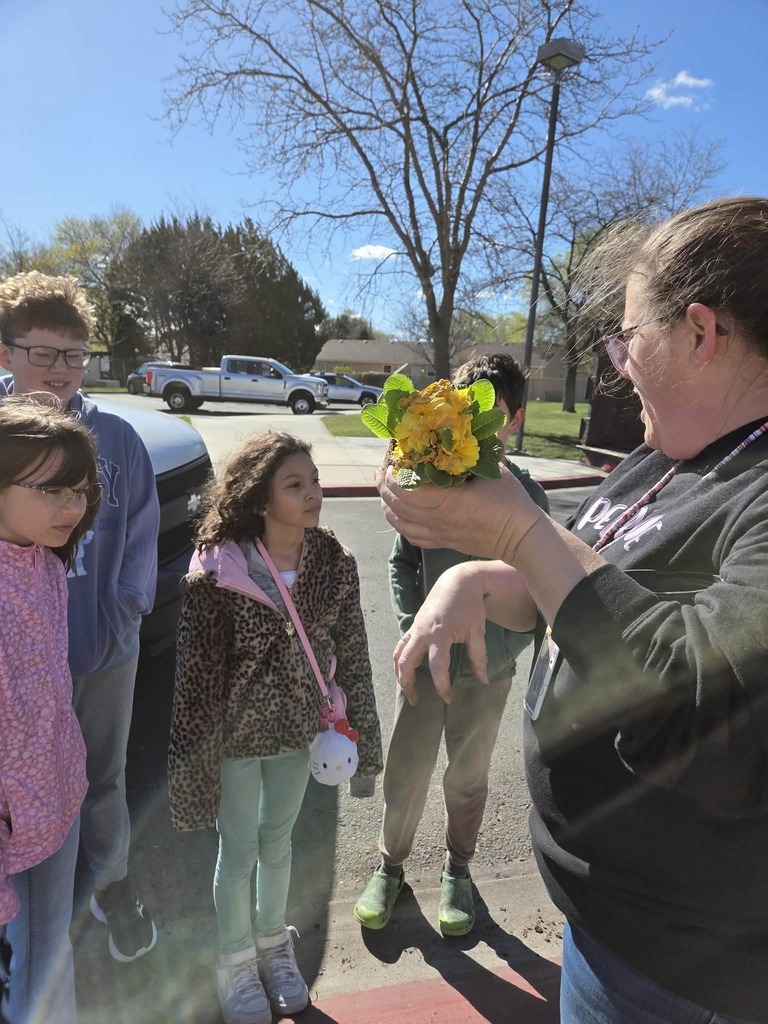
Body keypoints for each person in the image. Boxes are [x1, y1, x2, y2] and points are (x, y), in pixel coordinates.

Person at [377, 196, 768, 1023]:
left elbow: (703, 714)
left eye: (628, 336)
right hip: (603, 930)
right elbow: (588, 587)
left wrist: (518, 530)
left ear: (699, 334)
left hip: (684, 975)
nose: (617, 362)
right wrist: (480, 579)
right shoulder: (667, 457)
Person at [169, 431, 383, 1024]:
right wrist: (193, 766)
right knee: (237, 850)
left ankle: (272, 944)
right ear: (260, 500)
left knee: (279, 842)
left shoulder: (332, 564)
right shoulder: (218, 570)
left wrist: (366, 747)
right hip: (236, 740)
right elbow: (196, 678)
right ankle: (234, 960)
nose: (313, 493)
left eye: (313, 481)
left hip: (299, 730)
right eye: (295, 485)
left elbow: (356, 655)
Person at [354, 354, 550, 936]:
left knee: (468, 776)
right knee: (407, 771)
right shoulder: (429, 489)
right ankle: (389, 867)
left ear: (511, 420)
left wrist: (515, 649)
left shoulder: (527, 503)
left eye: (488, 418)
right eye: (465, 415)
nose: (471, 429)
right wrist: (417, 627)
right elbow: (401, 562)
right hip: (422, 666)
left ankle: (457, 870)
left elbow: (541, 589)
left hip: (489, 674)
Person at [0, 272, 161, 963]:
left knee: (101, 777)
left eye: (74, 355)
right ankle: (24, 916)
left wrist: (124, 616)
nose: (61, 370)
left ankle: (110, 884)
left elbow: (143, 543)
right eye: (43, 352)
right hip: (14, 672)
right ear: (6, 352)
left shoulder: (117, 440)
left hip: (101, 653)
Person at [0, 396, 101, 1024]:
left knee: (48, 945)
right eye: (53, 491)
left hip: (56, 798)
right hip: (12, 821)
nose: (73, 507)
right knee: (33, 964)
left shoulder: (42, 560)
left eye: (82, 490)